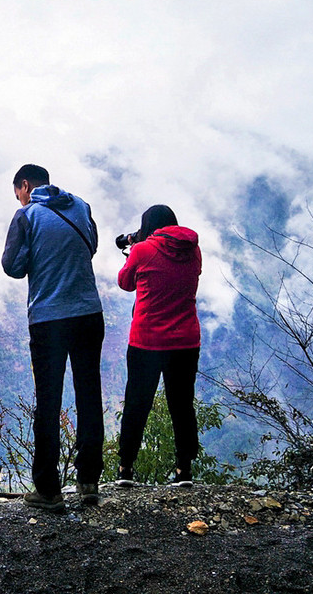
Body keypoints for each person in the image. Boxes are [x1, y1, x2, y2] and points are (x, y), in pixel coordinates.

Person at [2, 164, 105, 511]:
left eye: (17, 193)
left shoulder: (27, 216)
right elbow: (90, 245)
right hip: (90, 313)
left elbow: (12, 266)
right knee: (89, 393)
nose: (18, 199)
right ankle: (89, 481)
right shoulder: (81, 206)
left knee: (48, 400)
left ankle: (48, 489)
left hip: (49, 319)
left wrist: (36, 253)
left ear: (26, 186)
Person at [116, 204, 202, 488]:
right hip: (186, 341)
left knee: (137, 404)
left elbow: (125, 282)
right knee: (182, 404)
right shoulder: (194, 250)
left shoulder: (142, 251)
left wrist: (135, 247)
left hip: (147, 341)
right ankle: (183, 470)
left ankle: (125, 469)